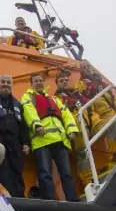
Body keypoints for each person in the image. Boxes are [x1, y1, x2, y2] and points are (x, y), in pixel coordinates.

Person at [21, 73, 79, 201]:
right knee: (44, 173)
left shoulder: (55, 99)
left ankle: (73, 200)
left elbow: (66, 114)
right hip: (41, 140)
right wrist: (37, 125)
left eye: (41, 80)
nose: (39, 83)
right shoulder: (28, 97)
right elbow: (28, 111)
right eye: (36, 81)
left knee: (66, 174)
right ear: (31, 84)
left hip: (60, 139)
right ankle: (49, 200)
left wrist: (71, 130)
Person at [75, 60, 116, 173]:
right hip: (101, 115)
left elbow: (114, 100)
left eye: (88, 66)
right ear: (81, 70)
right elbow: (84, 102)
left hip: (113, 111)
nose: (87, 68)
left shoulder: (101, 83)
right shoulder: (81, 84)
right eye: (84, 67)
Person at [54, 72, 103, 187]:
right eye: (61, 81)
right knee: (83, 154)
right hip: (76, 129)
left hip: (89, 123)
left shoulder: (77, 94)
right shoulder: (57, 99)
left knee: (113, 126)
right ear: (57, 84)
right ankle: (88, 183)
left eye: (66, 80)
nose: (65, 81)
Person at [0, 74, 30, 198]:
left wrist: (26, 142)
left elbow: (22, 124)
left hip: (15, 142)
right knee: (2, 171)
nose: (5, 84)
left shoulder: (17, 104)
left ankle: (20, 199)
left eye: (8, 82)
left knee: (17, 171)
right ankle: (6, 199)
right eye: (3, 82)